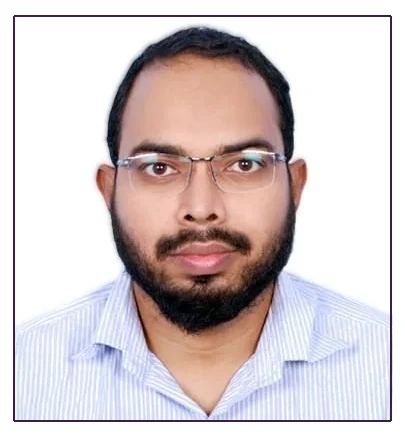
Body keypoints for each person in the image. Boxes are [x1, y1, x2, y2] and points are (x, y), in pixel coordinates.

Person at [15, 26, 390, 421]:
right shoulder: (21, 377)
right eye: (158, 167)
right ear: (109, 191)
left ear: (294, 186)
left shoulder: (387, 367)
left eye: (245, 164)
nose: (200, 208)